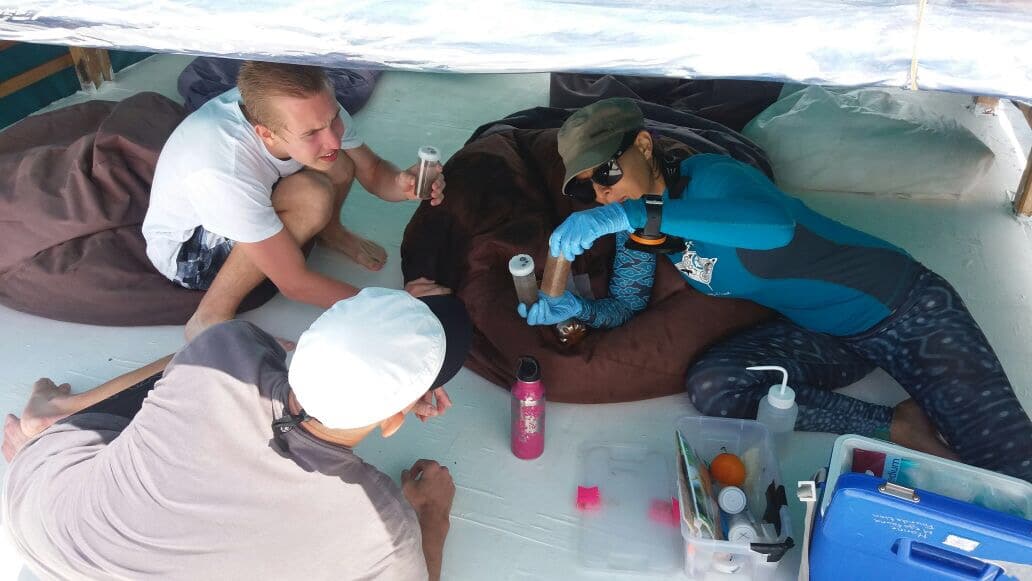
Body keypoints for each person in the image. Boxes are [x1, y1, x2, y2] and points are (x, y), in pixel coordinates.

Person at [519, 97, 1032, 481]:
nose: (602, 192)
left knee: (1012, 469)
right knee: (715, 387)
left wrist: (632, 212)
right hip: (827, 336)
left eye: (608, 170)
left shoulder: (711, 178)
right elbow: (627, 303)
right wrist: (577, 309)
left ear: (645, 146)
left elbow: (772, 228)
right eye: (587, 186)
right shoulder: (638, 229)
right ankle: (894, 424)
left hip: (907, 310)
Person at [2, 287, 472, 580]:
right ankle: (52, 419)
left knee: (185, 375)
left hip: (39, 508)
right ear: (393, 422)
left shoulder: (226, 348)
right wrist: (431, 515)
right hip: (56, 525)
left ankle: (51, 417)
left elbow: (250, 364)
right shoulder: (384, 530)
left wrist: (381, 338)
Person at [142, 61, 446, 340]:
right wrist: (395, 304)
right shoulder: (224, 166)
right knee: (311, 196)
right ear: (266, 134)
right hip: (188, 252)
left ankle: (331, 231)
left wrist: (403, 184)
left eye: (334, 120)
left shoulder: (314, 109)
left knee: (336, 161)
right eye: (312, 133)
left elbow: (374, 170)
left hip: (238, 198)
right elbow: (294, 283)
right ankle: (210, 315)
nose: (333, 138)